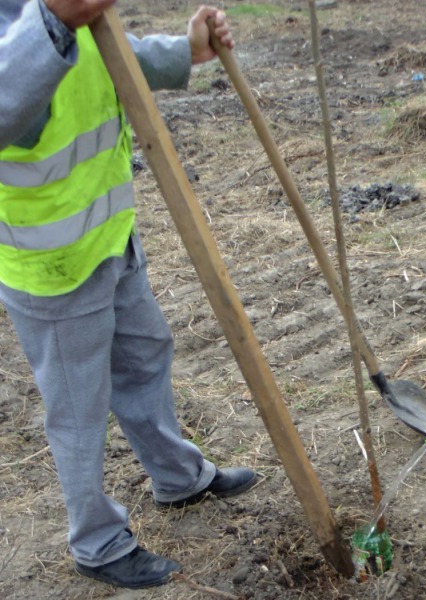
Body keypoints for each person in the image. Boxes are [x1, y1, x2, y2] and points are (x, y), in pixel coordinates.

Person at [0, 0, 258, 590]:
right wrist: (54, 21)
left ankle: (178, 475)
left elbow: (107, 54)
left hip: (110, 235)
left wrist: (184, 51)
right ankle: (96, 541)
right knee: (77, 408)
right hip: (53, 265)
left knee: (144, 355)